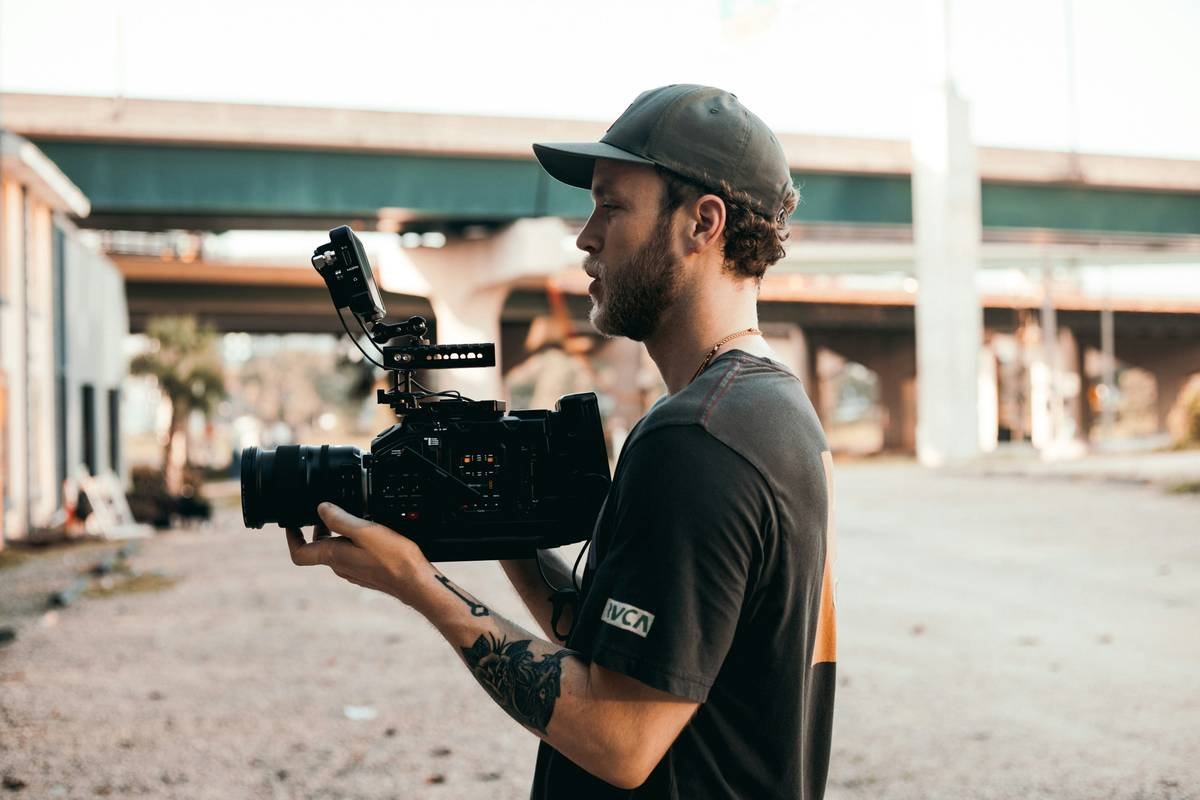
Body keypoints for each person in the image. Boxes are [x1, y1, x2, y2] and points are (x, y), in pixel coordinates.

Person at [286, 84, 837, 799]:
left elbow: (620, 735)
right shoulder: (769, 410)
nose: (586, 236)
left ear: (702, 222)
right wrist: (495, 521)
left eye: (612, 206)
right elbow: (628, 655)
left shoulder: (695, 440)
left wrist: (419, 586)